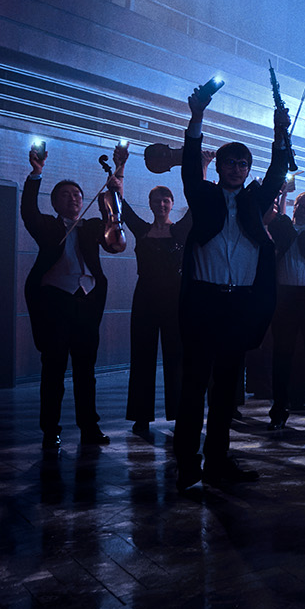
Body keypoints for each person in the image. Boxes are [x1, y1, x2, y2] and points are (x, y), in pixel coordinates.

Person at [175, 85, 290, 489]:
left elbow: (277, 172)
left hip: (237, 306)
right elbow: (190, 164)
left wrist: (280, 132)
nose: (238, 168)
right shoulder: (203, 195)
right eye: (231, 162)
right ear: (220, 166)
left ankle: (218, 461)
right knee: (193, 388)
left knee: (226, 391)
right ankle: (186, 463)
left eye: (243, 163)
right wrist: (196, 117)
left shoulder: (254, 203)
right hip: (203, 302)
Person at [22, 145, 124, 451]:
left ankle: (89, 426)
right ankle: (50, 429)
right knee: (53, 369)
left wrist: (118, 175)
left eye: (77, 195)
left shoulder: (93, 226)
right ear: (55, 202)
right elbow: (28, 211)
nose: (74, 198)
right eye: (66, 195)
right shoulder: (48, 227)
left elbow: (115, 231)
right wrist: (36, 174)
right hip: (55, 302)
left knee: (85, 371)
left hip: (86, 303)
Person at [120, 181, 189, 436]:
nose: (161, 205)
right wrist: (120, 171)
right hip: (146, 296)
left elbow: (195, 206)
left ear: (171, 204)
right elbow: (122, 208)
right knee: (141, 356)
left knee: (176, 357)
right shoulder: (141, 230)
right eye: (156, 201)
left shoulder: (180, 230)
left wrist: (201, 171)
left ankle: (179, 412)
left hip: (174, 299)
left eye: (165, 200)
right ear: (150, 205)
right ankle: (140, 417)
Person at [267, 190, 305, 431]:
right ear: (296, 207)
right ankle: (279, 411)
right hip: (285, 298)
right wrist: (281, 196)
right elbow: (277, 219)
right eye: (304, 208)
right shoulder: (285, 230)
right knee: (282, 355)